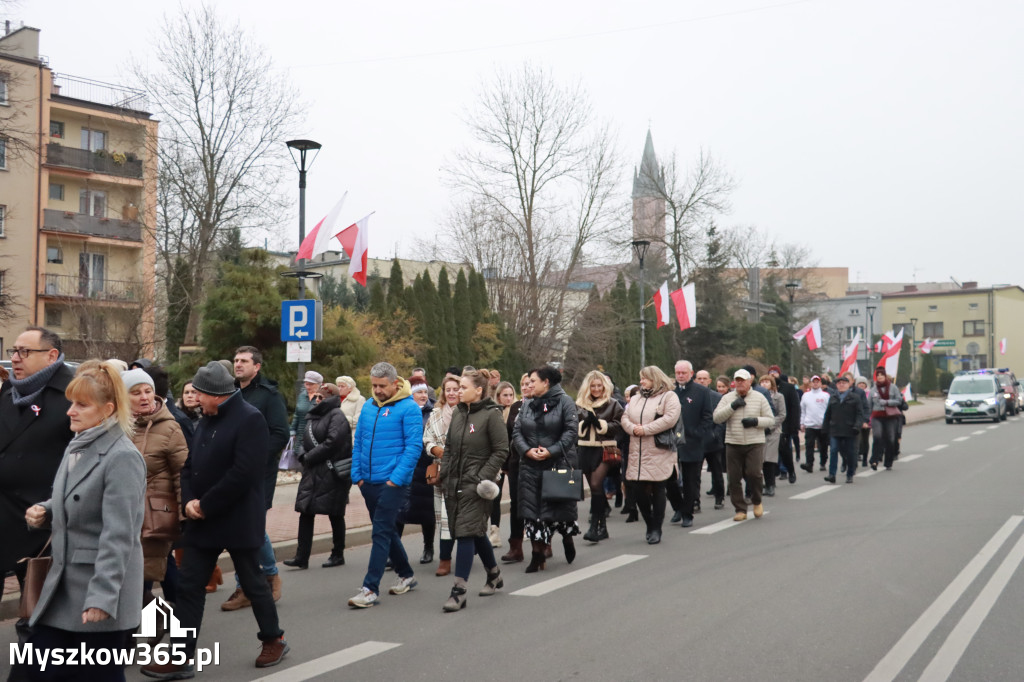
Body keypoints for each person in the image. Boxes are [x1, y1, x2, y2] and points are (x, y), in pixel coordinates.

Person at [141, 361, 288, 679]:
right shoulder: (207, 419)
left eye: (198, 394)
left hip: (236, 518)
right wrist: (191, 500)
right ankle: (180, 656)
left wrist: (206, 504)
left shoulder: (250, 419)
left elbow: (245, 474)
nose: (193, 399)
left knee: (252, 582)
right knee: (190, 586)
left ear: (216, 395)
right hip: (202, 519)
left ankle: (273, 639)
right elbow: (189, 464)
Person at [21, 361, 146, 681]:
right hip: (64, 586)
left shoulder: (123, 457)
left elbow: (120, 534)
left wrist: (103, 597)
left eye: (81, 404)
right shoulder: (79, 444)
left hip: (97, 593)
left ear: (107, 409)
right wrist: (47, 511)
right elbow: (78, 498)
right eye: (71, 402)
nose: (70, 412)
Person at [1, 327, 76, 638]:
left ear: (52, 356)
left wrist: (52, 508)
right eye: (13, 351)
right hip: (3, 514)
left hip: (42, 521)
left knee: (36, 609)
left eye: (24, 352)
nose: (15, 359)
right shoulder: (8, 393)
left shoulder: (72, 395)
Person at [347, 362, 423, 609]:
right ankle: (406, 575)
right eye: (374, 385)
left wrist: (395, 480)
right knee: (387, 529)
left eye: (382, 386)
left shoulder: (409, 408)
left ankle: (370, 588)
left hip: (392, 483)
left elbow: (413, 447)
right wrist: (356, 475)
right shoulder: (369, 407)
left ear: (394, 383)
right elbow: (358, 441)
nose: (377, 390)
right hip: (367, 481)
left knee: (380, 531)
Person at [222, 346, 290, 611]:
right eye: (236, 360)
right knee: (241, 527)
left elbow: (280, 434)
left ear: (257, 366)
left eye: (244, 361)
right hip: (230, 472)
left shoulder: (268, 395)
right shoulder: (229, 392)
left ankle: (260, 579)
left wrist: (254, 459)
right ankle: (252, 583)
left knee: (251, 526)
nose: (238, 364)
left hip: (258, 473)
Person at [123, 367, 189, 636]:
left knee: (137, 578)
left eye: (148, 391)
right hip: (121, 513)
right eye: (136, 392)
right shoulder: (117, 426)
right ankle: (159, 617)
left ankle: (128, 637)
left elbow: (182, 473)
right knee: (126, 578)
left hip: (153, 515)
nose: (144, 397)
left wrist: (184, 514)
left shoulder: (170, 426)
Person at [437, 370, 509, 611]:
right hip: (453, 484)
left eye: (463, 387)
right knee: (475, 532)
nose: (457, 392)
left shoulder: (492, 415)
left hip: (476, 486)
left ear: (478, 390)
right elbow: (448, 447)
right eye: (457, 388)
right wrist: (444, 474)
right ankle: (494, 574)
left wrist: (481, 478)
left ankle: (458, 591)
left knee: (466, 534)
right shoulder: (458, 413)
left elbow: (501, 451)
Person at [512, 365, 580, 570]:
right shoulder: (527, 404)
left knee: (559, 509)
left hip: (557, 462)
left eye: (532, 381)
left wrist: (551, 450)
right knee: (532, 511)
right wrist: (526, 451)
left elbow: (571, 431)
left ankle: (567, 539)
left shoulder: (565, 402)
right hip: (530, 465)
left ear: (546, 382)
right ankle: (537, 554)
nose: (528, 385)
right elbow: (517, 432)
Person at [284, 383, 352, 570]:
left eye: (321, 397)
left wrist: (309, 456)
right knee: (306, 511)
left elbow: (333, 442)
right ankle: (301, 556)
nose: (317, 400)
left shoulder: (337, 416)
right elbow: (304, 437)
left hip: (330, 472)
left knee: (335, 513)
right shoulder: (314, 415)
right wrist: (301, 453)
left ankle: (338, 554)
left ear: (330, 399)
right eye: (317, 397)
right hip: (313, 471)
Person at [620, 365, 682, 544]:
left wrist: (646, 430)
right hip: (637, 451)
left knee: (658, 488)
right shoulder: (636, 398)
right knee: (638, 490)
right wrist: (633, 428)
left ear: (655, 379)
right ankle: (649, 523)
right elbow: (625, 417)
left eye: (644, 378)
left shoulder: (669, 396)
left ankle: (656, 527)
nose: (641, 382)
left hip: (659, 450)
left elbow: (670, 419)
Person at [713, 369, 774, 522]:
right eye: (737, 380)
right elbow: (717, 418)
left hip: (755, 442)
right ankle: (740, 509)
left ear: (749, 382)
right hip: (733, 442)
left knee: (754, 473)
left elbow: (770, 419)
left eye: (743, 380)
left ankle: (757, 500)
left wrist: (755, 421)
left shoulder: (759, 397)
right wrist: (732, 406)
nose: (740, 383)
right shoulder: (727, 398)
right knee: (733, 478)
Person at [575, 370, 624, 541]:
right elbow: (572, 426)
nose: (596, 389)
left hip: (605, 449)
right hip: (585, 449)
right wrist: (583, 424)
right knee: (596, 489)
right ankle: (602, 527)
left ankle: (594, 527)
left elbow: (619, 425)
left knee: (596, 484)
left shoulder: (613, 404)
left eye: (599, 385)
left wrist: (600, 424)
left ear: (605, 386)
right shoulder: (580, 404)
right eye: (593, 386)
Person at [424, 375, 462, 575]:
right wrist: (435, 450)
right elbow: (427, 438)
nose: (452, 393)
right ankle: (445, 560)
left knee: (462, 518)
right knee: (444, 519)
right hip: (441, 472)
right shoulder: (435, 413)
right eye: (448, 389)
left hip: (463, 472)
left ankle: (472, 551)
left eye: (456, 389)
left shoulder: (467, 413)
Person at [398, 378, 438, 565]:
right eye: (418, 392)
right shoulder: (403, 410)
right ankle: (394, 552)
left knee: (426, 511)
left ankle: (428, 548)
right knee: (398, 511)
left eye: (424, 392)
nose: (423, 396)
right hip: (404, 468)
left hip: (424, 466)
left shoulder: (433, 413)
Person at [672, 361, 713, 528]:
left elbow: (708, 417)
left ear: (691, 373)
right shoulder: (670, 392)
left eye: (684, 372)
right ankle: (678, 507)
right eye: (678, 372)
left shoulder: (701, 391)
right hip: (672, 443)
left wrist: (697, 434)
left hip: (692, 442)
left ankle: (688, 513)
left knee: (690, 480)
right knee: (670, 480)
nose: (680, 375)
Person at [500, 376, 529, 563]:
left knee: (539, 503)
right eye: (523, 384)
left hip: (538, 461)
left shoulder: (546, 405)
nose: (526, 387)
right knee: (516, 504)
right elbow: (508, 436)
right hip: (516, 462)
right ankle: (515, 546)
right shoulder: (516, 407)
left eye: (530, 383)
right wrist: (505, 465)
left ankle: (544, 542)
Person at [822, 374, 868, 483]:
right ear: (836, 385)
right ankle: (832, 474)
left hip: (850, 430)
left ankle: (850, 473)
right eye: (839, 383)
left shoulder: (855, 398)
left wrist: (857, 426)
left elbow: (859, 414)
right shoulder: (833, 397)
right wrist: (825, 428)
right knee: (833, 451)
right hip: (835, 429)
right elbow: (827, 414)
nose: (841, 385)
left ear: (849, 385)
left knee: (851, 453)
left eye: (844, 383)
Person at [769, 365, 800, 483]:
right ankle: (773, 475)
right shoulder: (766, 389)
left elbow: (794, 407)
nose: (772, 374)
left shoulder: (788, 388)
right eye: (770, 372)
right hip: (770, 425)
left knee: (784, 451)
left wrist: (794, 426)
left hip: (785, 425)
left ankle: (789, 470)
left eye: (775, 372)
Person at [758, 375, 787, 497]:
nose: (764, 384)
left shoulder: (778, 397)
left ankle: (771, 485)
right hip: (759, 430)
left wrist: (770, 426)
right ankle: (764, 484)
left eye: (767, 382)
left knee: (769, 459)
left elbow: (782, 414)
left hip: (773, 431)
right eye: (762, 382)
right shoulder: (757, 396)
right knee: (761, 460)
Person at [869, 368, 902, 470]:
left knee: (890, 438)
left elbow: (899, 400)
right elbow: (869, 404)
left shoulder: (893, 387)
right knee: (877, 436)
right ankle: (874, 460)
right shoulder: (873, 390)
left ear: (885, 376)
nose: (879, 377)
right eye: (878, 375)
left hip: (890, 416)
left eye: (881, 375)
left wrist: (887, 402)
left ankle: (888, 461)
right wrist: (867, 419)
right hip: (877, 416)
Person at [798, 375, 829, 473]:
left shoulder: (825, 395)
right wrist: (802, 423)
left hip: (822, 425)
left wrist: (829, 423)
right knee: (809, 445)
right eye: (813, 382)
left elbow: (829, 410)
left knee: (823, 446)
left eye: (817, 382)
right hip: (810, 425)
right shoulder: (806, 395)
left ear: (820, 383)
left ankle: (823, 462)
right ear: (811, 383)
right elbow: (802, 411)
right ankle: (809, 464)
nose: (815, 383)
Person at [291, 370, 323, 461]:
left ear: (319, 384)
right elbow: (297, 414)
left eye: (311, 384)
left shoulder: (322, 397)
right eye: (306, 384)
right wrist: (292, 430)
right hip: (301, 435)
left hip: (315, 435)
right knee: (301, 461)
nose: (308, 387)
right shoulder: (302, 396)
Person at [336, 375, 366, 439]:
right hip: (335, 437)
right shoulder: (334, 399)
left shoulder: (360, 400)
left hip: (350, 437)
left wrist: (340, 418)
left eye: (342, 386)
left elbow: (358, 420)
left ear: (350, 388)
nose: (339, 388)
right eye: (338, 386)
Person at [855, 376, 872, 465]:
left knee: (865, 439)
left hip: (866, 420)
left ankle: (865, 458)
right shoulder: (854, 394)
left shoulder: (869, 394)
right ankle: (857, 455)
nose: (861, 385)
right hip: (857, 420)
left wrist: (867, 419)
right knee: (857, 439)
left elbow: (869, 407)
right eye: (860, 383)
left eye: (863, 384)